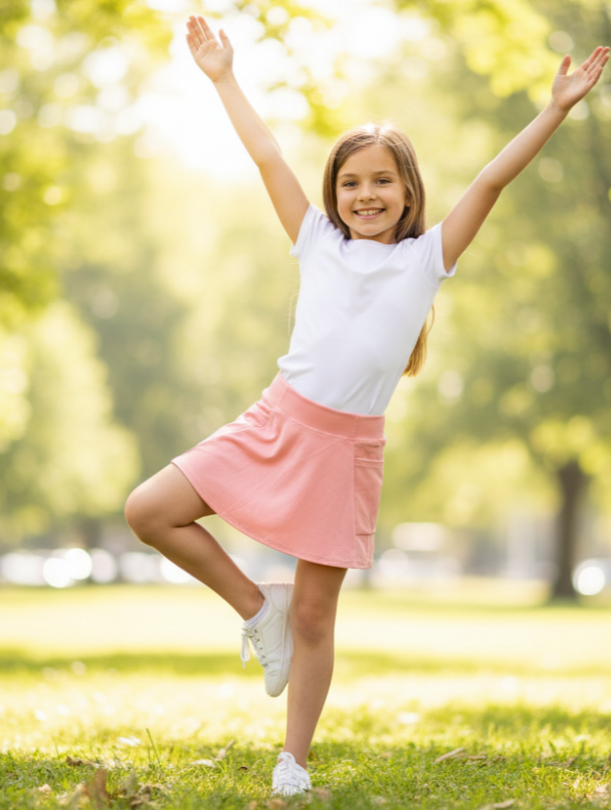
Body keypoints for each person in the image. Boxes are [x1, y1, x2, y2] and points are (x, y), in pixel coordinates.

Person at [125, 13, 608, 797]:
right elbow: (267, 154)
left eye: (382, 180)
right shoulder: (315, 241)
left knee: (317, 618)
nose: (365, 194)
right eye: (351, 182)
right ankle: (256, 608)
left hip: (343, 451)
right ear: (334, 195)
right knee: (149, 509)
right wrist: (222, 78)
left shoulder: (427, 260)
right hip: (273, 422)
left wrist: (553, 109)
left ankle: (295, 760)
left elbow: (489, 179)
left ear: (408, 191)